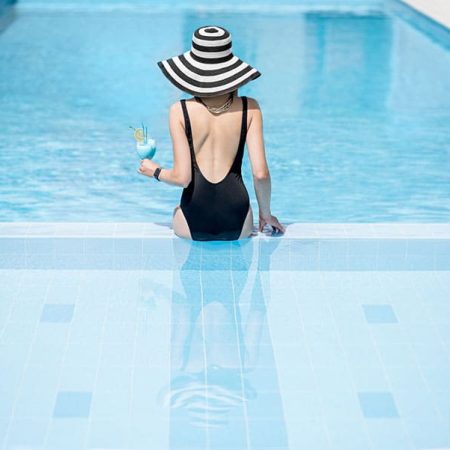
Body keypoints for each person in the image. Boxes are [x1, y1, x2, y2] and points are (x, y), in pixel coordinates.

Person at [137, 25, 285, 241]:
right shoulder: (250, 108)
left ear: (193, 70)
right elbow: (260, 173)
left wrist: (155, 171)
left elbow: (182, 178)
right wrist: (266, 214)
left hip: (192, 220)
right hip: (238, 220)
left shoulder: (180, 111)